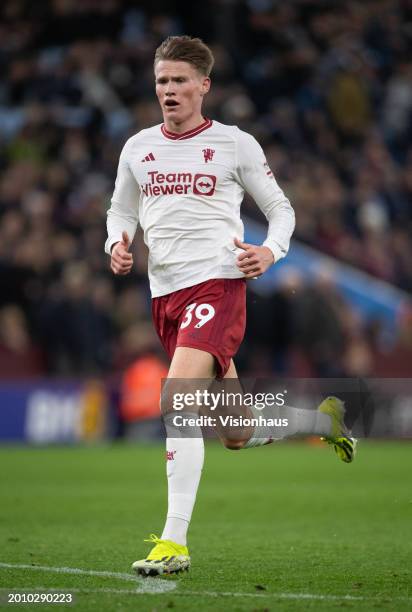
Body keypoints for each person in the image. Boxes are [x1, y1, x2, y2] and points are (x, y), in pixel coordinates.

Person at [106, 35, 356, 577]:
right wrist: (117, 242)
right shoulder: (137, 147)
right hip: (165, 296)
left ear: (203, 86)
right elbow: (120, 209)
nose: (168, 90)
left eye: (178, 81)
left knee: (177, 403)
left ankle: (173, 543)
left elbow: (281, 209)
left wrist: (270, 250)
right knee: (234, 431)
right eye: (161, 82)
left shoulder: (234, 144)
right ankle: (322, 420)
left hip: (217, 287)